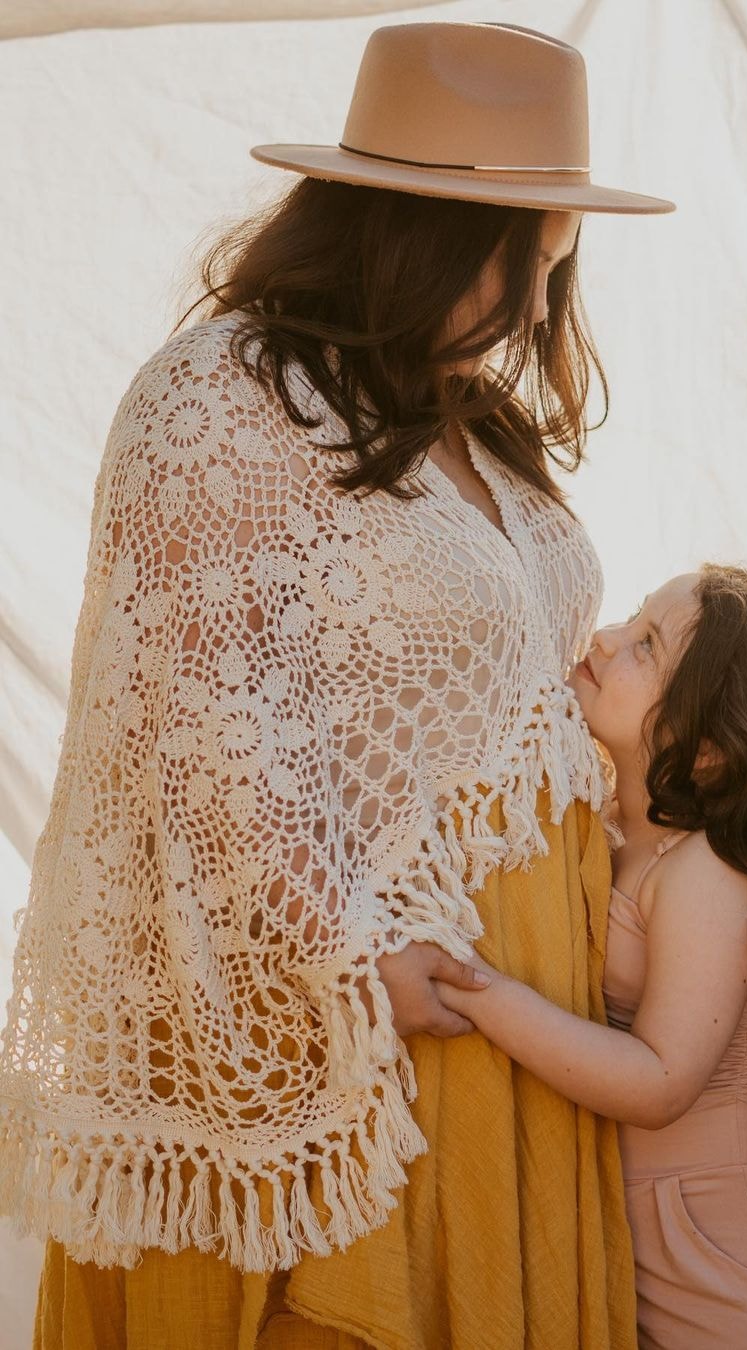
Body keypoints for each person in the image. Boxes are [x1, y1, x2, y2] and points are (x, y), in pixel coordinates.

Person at [1, 21, 674, 1350]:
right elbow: (198, 719)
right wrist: (349, 945)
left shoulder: (464, 413)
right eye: (525, 263)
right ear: (417, 232)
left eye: (554, 266)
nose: (543, 312)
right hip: (348, 1012)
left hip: (508, 1022)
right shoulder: (222, 398)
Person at [438, 565, 747, 1349]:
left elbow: (661, 1079)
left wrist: (484, 996)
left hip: (733, 1259)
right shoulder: (622, 837)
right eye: (632, 620)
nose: (604, 638)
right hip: (662, 1229)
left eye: (648, 645)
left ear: (715, 747)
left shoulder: (709, 870)